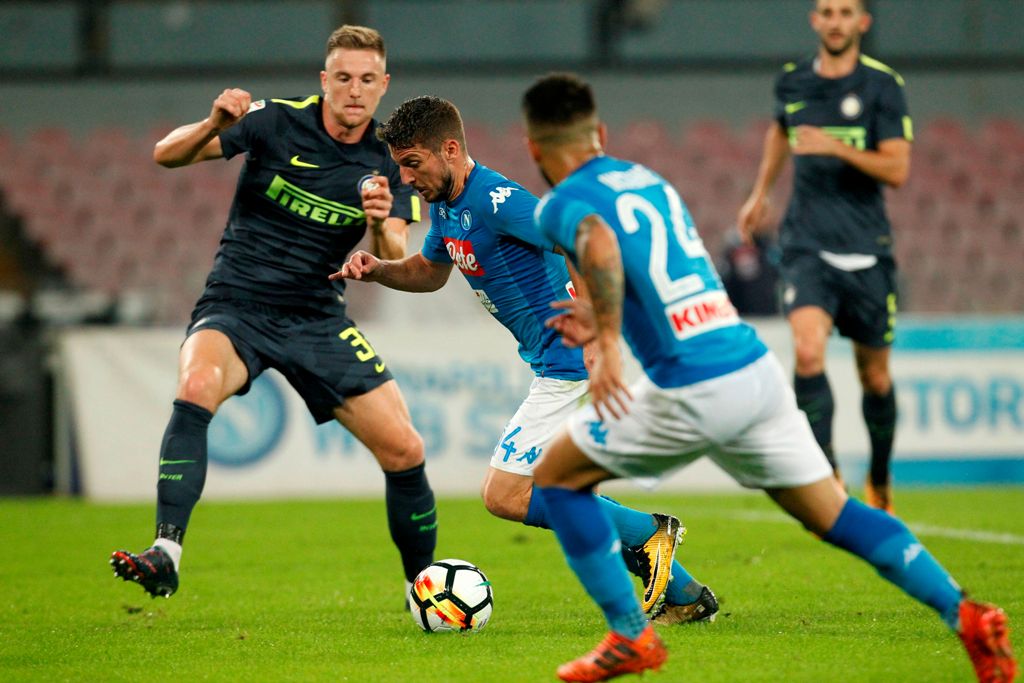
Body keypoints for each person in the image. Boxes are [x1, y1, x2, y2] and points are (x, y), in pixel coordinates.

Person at [522, 72, 1015, 683]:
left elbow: (598, 245)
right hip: (751, 370)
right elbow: (640, 259)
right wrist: (603, 312)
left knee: (556, 481)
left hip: (691, 384)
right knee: (832, 513)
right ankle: (965, 613)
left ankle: (629, 636)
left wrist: (608, 345)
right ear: (599, 132)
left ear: (535, 148)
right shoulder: (650, 181)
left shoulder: (560, 205)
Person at [334, 95, 718, 623]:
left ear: (449, 149)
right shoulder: (448, 208)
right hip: (551, 363)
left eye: (412, 164)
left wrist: (591, 320)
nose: (404, 179)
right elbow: (430, 270)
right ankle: (686, 595)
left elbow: (580, 240)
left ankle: (648, 533)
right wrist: (379, 268)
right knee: (561, 491)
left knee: (506, 494)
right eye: (399, 166)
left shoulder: (496, 200)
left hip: (569, 364)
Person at [110, 25, 437, 601]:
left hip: (316, 317)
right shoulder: (275, 119)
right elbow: (166, 155)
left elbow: (392, 255)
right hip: (237, 303)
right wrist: (215, 123)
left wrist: (379, 221)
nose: (354, 91)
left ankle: (425, 588)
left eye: (366, 80)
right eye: (342, 78)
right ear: (324, 80)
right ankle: (166, 551)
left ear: (384, 85)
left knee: (405, 449)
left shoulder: (393, 160)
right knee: (197, 383)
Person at [737, 0, 911, 512]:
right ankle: (828, 475)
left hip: (867, 249)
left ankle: (879, 477)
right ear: (815, 21)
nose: (835, 21)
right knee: (808, 352)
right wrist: (761, 191)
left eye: (845, 12)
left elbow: (897, 169)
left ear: (863, 22)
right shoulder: (792, 82)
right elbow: (780, 131)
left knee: (874, 376)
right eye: (827, 12)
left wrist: (835, 146)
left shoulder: (883, 85)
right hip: (807, 246)